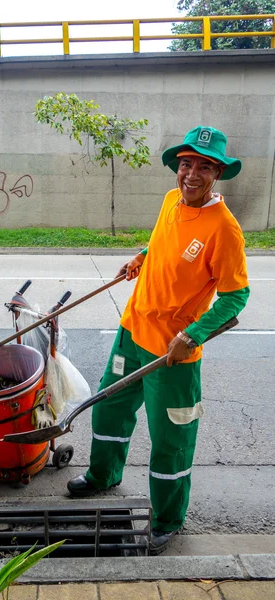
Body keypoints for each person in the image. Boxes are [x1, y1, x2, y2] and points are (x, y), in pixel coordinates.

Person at [67, 126, 250, 555]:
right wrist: (140, 258)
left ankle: (167, 519)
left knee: (171, 440)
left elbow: (236, 295)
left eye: (204, 166)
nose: (192, 173)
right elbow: (161, 246)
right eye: (186, 163)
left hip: (173, 353)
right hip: (132, 331)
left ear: (217, 173)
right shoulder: (171, 201)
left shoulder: (225, 229)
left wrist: (194, 334)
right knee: (110, 408)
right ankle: (103, 475)